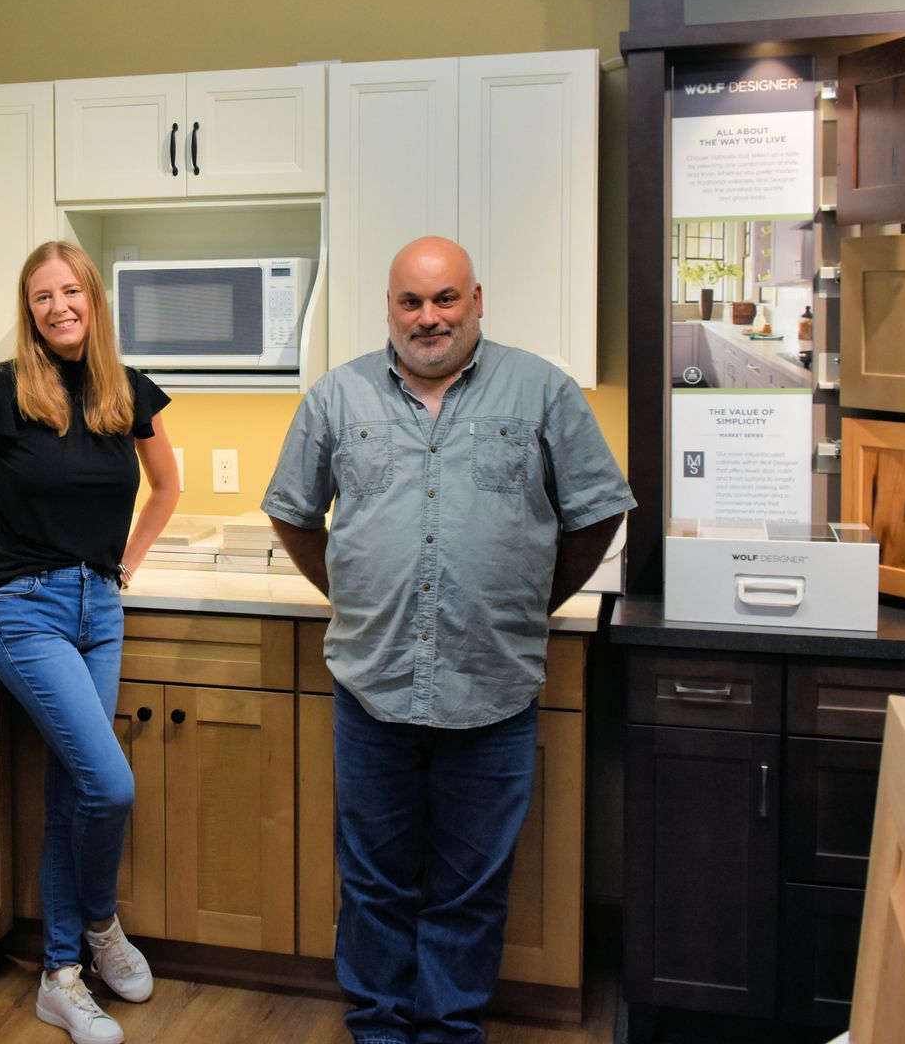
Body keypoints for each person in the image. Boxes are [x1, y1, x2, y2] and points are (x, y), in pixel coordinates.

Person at [262, 236, 631, 1044]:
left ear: (476, 300)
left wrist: (533, 598)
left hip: (492, 686)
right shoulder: (337, 397)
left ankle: (451, 1030)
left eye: (445, 299)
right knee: (373, 883)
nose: (428, 318)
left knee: (471, 887)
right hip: (373, 686)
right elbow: (292, 512)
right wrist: (355, 593)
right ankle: (381, 1030)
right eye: (411, 302)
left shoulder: (542, 392)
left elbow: (599, 509)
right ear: (389, 309)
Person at [0, 239, 181, 1044]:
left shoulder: (128, 393)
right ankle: (99, 927)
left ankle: (61, 975)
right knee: (110, 785)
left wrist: (124, 565)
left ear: (93, 299)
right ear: (29, 311)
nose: (57, 308)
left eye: (70, 292)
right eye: (41, 297)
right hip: (26, 611)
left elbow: (167, 488)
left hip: (101, 611)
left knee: (74, 788)